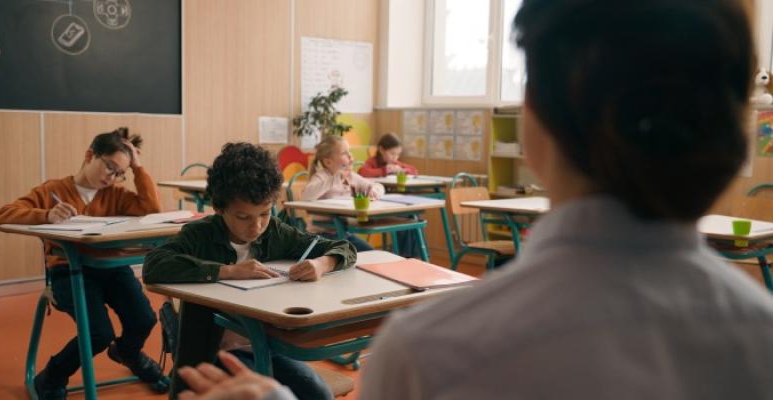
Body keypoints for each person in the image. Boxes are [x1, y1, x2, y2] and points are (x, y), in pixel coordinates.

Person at [170, 0, 773, 399]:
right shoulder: (758, 336)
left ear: (531, 126)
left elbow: (336, 248)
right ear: (737, 129)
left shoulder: (432, 350)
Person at [143, 142, 357, 400]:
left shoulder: (275, 232)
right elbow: (154, 265)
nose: (256, 226)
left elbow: (343, 247)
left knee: (318, 393)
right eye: (243, 217)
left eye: (264, 214)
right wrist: (229, 271)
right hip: (212, 351)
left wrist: (322, 264)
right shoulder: (200, 235)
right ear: (219, 208)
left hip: (265, 346)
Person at [0, 127, 166, 400]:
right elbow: (4, 215)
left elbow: (152, 210)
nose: (112, 178)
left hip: (111, 269)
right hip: (69, 271)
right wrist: (47, 214)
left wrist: (138, 167)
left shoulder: (117, 194)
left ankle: (127, 353)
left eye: (120, 172)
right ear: (90, 155)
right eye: (109, 167)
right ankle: (51, 377)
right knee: (98, 333)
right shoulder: (53, 190)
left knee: (144, 318)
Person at [301, 135, 384, 253]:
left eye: (349, 151)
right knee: (345, 260)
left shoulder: (351, 177)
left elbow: (377, 186)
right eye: (344, 153)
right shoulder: (322, 176)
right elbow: (306, 196)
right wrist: (334, 179)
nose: (350, 156)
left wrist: (374, 191)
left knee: (371, 254)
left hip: (344, 234)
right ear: (328, 162)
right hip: (320, 237)